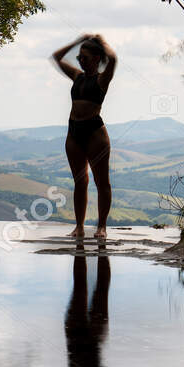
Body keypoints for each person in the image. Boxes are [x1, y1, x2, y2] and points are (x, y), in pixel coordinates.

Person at [52, 33, 116, 241]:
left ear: (96, 59)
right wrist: (78, 41)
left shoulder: (102, 79)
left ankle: (102, 226)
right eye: (79, 57)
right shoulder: (77, 76)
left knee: (101, 182)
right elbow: (57, 57)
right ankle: (79, 226)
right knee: (80, 181)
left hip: (95, 133)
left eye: (85, 58)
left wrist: (101, 41)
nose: (80, 61)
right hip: (73, 132)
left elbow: (113, 59)